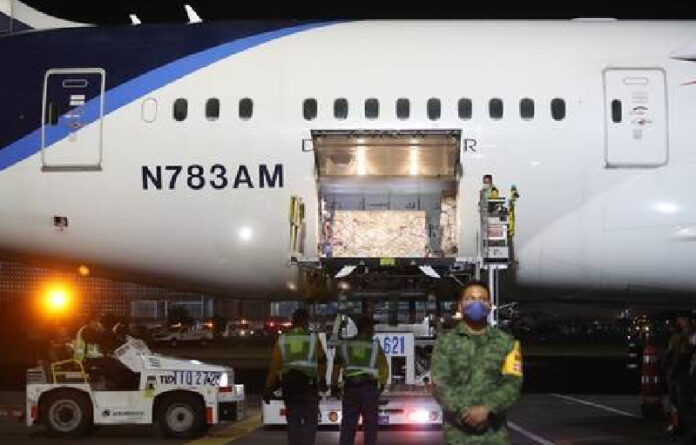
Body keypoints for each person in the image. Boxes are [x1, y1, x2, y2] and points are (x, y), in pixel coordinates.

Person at [431, 280, 522, 445]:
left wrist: (487, 409)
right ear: (460, 306)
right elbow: (440, 384)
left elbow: (513, 383)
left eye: (482, 299)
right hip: (457, 436)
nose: (476, 303)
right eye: (470, 298)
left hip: (494, 435)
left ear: (490, 306)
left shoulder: (508, 343)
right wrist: (465, 412)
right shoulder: (445, 343)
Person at [264, 308, 327, 445]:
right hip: (309, 388)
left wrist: (268, 387)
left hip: (290, 389)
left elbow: (275, 366)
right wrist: (322, 380)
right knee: (310, 424)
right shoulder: (312, 339)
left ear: (293, 322)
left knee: (293, 425)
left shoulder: (283, 340)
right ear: (306, 321)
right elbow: (322, 361)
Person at [332, 315, 389, 445]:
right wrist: (381, 385)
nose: (373, 330)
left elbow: (336, 367)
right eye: (372, 327)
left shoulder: (344, 345)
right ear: (366, 328)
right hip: (369, 389)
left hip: (350, 389)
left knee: (348, 425)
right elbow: (384, 367)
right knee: (370, 426)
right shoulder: (374, 346)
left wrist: (334, 385)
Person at [74, 312, 126, 389]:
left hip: (90, 359)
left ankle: (114, 384)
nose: (98, 324)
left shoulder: (90, 331)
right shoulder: (86, 331)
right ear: (91, 321)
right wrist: (113, 331)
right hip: (84, 361)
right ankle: (117, 386)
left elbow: (103, 343)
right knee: (111, 363)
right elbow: (99, 338)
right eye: (96, 321)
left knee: (113, 360)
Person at [665, 312, 696, 441]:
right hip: (679, 372)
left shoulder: (689, 336)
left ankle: (690, 431)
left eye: (682, 319)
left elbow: (685, 355)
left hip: (685, 373)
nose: (680, 322)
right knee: (677, 401)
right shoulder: (679, 336)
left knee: (686, 403)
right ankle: (682, 427)